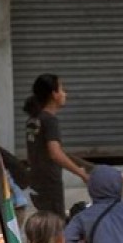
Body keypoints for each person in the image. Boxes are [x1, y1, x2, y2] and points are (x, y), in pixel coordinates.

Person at [23, 73, 88, 217]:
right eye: (62, 89)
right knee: (54, 225)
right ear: (54, 94)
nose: (65, 94)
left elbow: (36, 151)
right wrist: (80, 172)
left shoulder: (33, 119)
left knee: (44, 225)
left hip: (36, 180)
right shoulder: (50, 120)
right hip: (49, 183)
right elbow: (55, 153)